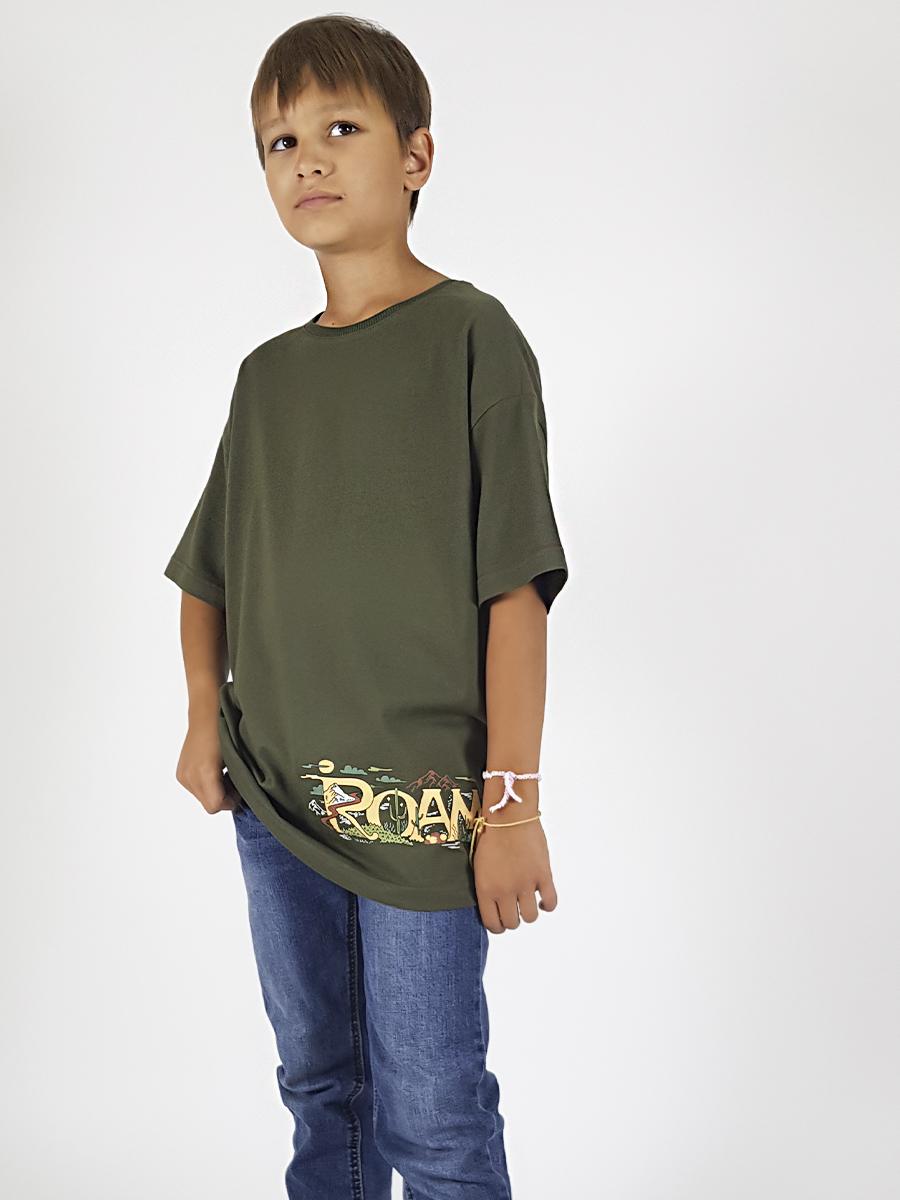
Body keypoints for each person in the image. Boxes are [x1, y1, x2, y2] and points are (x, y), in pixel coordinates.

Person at [163, 14, 569, 1200]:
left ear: (416, 155)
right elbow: (206, 575)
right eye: (280, 142)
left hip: (422, 806)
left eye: (341, 129)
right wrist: (202, 718)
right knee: (321, 1092)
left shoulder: (473, 338)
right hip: (274, 798)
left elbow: (516, 588)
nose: (308, 160)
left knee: (434, 1110)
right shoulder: (268, 378)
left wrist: (511, 802)